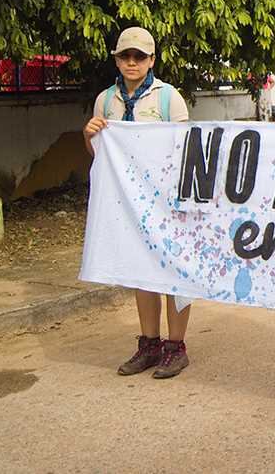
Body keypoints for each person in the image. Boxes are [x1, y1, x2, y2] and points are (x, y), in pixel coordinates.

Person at [82, 26, 193, 379]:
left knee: (173, 271)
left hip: (167, 198)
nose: (132, 62)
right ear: (116, 59)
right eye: (125, 56)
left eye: (139, 56)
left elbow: (185, 149)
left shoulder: (168, 98)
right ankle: (149, 343)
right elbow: (98, 153)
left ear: (151, 61)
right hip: (128, 200)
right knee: (141, 269)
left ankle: (176, 347)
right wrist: (90, 135)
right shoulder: (105, 100)